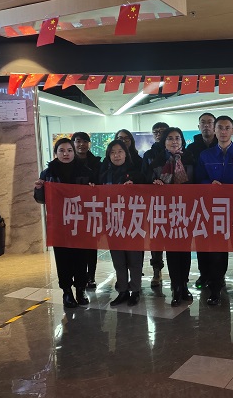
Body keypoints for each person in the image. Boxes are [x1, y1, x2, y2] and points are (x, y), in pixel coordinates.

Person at [196, 115, 233, 305]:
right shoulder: (205, 155)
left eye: (227, 128)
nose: (223, 131)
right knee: (216, 255)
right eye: (220, 128)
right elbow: (199, 180)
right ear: (214, 130)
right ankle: (215, 291)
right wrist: (209, 184)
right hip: (216, 212)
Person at [34, 138, 95, 308]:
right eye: (61, 150)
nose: (66, 154)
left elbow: (94, 197)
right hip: (59, 224)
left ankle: (80, 289)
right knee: (63, 258)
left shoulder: (86, 171)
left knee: (81, 257)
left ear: (73, 152)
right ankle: (67, 292)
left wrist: (92, 188)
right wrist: (38, 189)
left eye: (69, 150)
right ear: (56, 153)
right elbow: (41, 199)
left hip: (80, 222)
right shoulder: (47, 173)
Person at [146, 127, 196, 307]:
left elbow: (197, 183)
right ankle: (176, 287)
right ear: (164, 142)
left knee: (185, 250)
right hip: (166, 212)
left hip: (187, 211)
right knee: (172, 251)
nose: (174, 141)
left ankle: (184, 285)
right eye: (170, 138)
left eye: (177, 138)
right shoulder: (156, 161)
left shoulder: (190, 159)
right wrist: (153, 183)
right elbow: (146, 183)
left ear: (182, 141)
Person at [99, 139, 145, 307]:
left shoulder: (136, 174)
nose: (116, 155)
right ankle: (123, 291)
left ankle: (135, 291)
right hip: (113, 223)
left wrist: (135, 187)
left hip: (133, 223)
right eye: (112, 152)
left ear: (126, 154)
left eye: (120, 152)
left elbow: (147, 195)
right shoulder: (104, 175)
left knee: (134, 259)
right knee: (118, 260)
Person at [187, 113, 219, 290]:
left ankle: (217, 276)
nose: (206, 125)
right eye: (203, 123)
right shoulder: (192, 149)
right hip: (198, 201)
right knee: (201, 240)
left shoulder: (221, 145)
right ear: (198, 126)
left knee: (217, 241)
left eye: (210, 123)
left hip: (219, 202)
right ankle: (204, 274)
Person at [71, 132, 101, 289]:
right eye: (78, 141)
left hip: (91, 210)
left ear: (89, 144)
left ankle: (91, 276)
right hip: (72, 210)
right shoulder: (67, 163)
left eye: (85, 141)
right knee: (76, 246)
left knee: (91, 245)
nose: (81, 144)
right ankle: (78, 276)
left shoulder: (96, 163)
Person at [141, 122, 169, 288]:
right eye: (155, 131)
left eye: (162, 131)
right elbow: (144, 176)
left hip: (175, 204)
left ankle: (178, 275)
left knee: (175, 238)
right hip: (155, 204)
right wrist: (153, 182)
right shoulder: (149, 155)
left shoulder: (177, 152)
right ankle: (157, 271)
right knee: (155, 240)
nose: (159, 134)